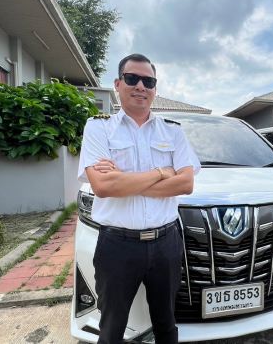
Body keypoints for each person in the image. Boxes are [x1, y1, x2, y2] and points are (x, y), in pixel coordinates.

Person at [78, 53, 200, 344]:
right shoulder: (98, 127)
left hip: (166, 244)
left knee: (166, 323)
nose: (141, 86)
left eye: (149, 81)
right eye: (132, 78)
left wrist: (125, 180)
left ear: (155, 88)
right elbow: (103, 186)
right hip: (117, 246)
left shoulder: (172, 131)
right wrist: (161, 172)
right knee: (112, 327)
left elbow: (185, 183)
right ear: (118, 84)